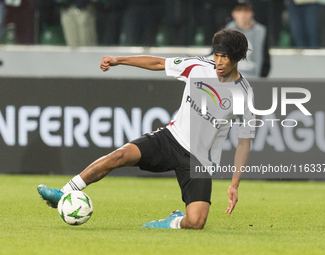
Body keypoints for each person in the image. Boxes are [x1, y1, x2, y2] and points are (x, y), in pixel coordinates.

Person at [38, 29, 255, 230]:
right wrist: (119, 60)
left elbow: (244, 141)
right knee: (119, 155)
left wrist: (234, 184)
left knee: (197, 222)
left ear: (237, 57)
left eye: (224, 57)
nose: (217, 61)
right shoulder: (199, 67)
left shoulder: (243, 94)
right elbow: (158, 63)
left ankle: (173, 221)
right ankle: (65, 192)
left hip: (199, 161)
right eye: (216, 55)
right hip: (171, 139)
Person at [225, 1, 270, 77]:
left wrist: (261, 81)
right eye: (239, 11)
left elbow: (266, 61)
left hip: (254, 80)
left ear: (252, 13)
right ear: (233, 14)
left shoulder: (261, 32)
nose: (243, 15)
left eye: (246, 11)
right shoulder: (226, 31)